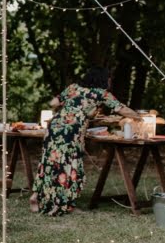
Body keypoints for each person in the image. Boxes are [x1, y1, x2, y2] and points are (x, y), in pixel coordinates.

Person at [30, 67, 141, 216]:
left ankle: (36, 196)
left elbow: (53, 103)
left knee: (50, 162)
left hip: (54, 127)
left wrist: (73, 106)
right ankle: (61, 205)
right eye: (109, 78)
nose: (110, 81)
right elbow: (121, 109)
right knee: (68, 165)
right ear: (103, 79)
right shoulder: (101, 93)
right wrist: (140, 117)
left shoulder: (73, 87)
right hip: (71, 132)